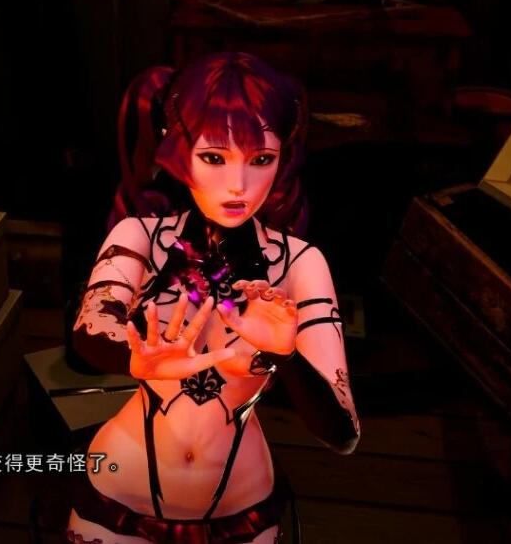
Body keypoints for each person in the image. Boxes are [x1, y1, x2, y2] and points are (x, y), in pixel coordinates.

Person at [67, 52, 360, 544]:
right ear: (177, 150)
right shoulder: (138, 235)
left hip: (242, 510)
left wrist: (285, 356)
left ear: (283, 158)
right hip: (117, 494)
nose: (238, 186)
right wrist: (137, 359)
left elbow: (342, 432)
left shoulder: (301, 262)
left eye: (261, 160)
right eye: (214, 158)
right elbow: (87, 335)